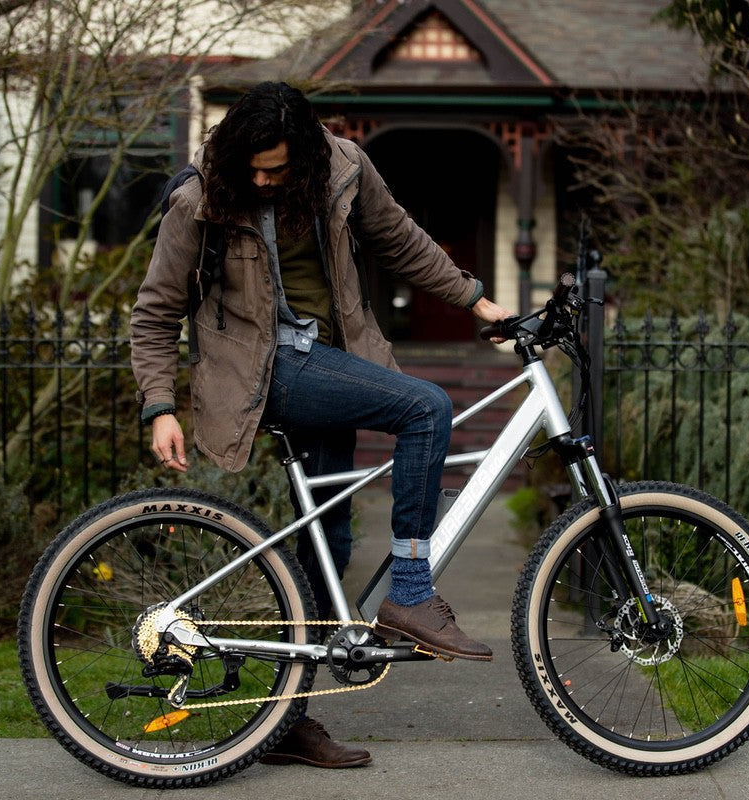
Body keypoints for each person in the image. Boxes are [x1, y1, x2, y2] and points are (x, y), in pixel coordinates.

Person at [130, 81, 512, 768]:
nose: (261, 179)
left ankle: (286, 723)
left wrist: (476, 301)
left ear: (305, 154)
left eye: (276, 169)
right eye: (252, 167)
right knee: (426, 407)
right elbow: (156, 310)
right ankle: (412, 593)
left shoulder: (345, 169)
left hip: (328, 361)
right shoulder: (200, 197)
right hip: (265, 370)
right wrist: (160, 405)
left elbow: (399, 240)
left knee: (326, 546)